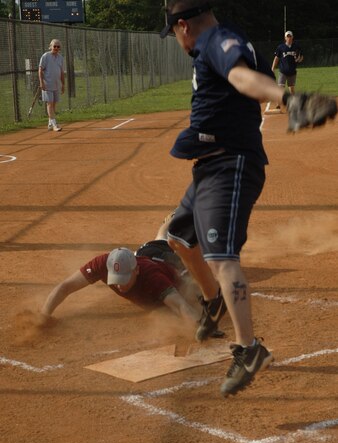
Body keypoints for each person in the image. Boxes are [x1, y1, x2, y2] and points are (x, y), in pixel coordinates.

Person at [159, 1, 318, 397]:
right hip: (210, 166)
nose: (179, 41)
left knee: (221, 257)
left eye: (175, 34)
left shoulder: (218, 40)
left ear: (183, 26)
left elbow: (245, 79)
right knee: (178, 236)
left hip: (231, 165)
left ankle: (249, 349)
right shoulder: (227, 38)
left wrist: (288, 99)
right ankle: (213, 302)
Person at [38, 216, 226, 337]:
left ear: (135, 271)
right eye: (116, 278)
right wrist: (44, 314)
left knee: (201, 277)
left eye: (124, 278)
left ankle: (192, 219)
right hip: (147, 253)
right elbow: (65, 287)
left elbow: (180, 306)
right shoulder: (104, 263)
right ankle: (173, 219)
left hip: (172, 264)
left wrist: (202, 327)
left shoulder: (153, 279)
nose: (119, 286)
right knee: (160, 238)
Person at [271, 30, 303, 108]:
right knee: (281, 88)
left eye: (290, 36)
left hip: (292, 71)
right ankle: (278, 104)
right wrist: (273, 68)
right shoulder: (280, 47)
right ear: (285, 38)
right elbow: (276, 58)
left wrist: (300, 59)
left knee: (291, 89)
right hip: (283, 71)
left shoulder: (296, 46)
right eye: (287, 36)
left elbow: (301, 56)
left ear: (292, 37)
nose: (289, 38)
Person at [39, 39, 65, 132]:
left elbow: (61, 72)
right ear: (50, 46)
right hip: (47, 84)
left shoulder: (60, 58)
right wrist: (41, 82)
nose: (56, 48)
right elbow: (40, 70)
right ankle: (54, 125)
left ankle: (50, 123)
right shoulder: (46, 56)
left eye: (58, 47)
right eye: (54, 46)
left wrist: (63, 84)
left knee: (53, 104)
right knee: (49, 103)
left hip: (56, 84)